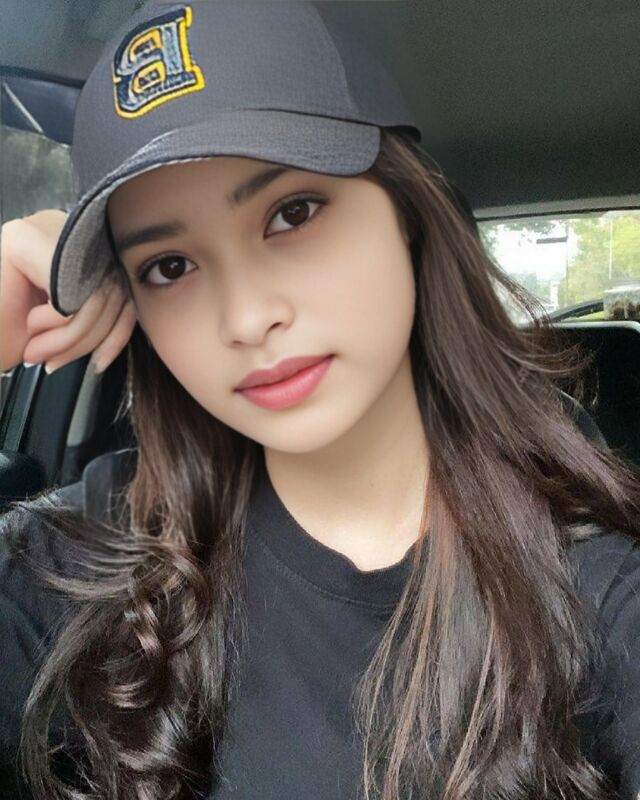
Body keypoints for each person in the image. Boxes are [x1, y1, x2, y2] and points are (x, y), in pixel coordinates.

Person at [1, 2, 640, 799]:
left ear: (409, 216)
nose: (245, 318)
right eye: (169, 266)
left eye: (292, 213)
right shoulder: (84, 562)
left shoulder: (600, 587)